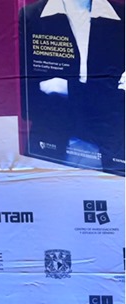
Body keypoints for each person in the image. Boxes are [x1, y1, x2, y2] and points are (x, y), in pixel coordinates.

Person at [19, 0, 125, 175]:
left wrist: (66, 87)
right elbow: (27, 100)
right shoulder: (30, 17)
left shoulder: (123, 17)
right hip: (50, 144)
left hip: (111, 146)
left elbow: (122, 98)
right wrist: (99, 94)